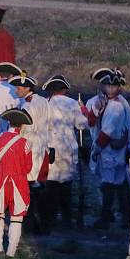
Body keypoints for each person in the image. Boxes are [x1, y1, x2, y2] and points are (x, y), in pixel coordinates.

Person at [86, 71, 130, 229]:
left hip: (111, 150)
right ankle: (124, 216)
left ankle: (107, 217)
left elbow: (107, 131)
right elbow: (91, 122)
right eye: (108, 85)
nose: (111, 89)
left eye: (114, 86)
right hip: (115, 149)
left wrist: (97, 149)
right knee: (118, 182)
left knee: (109, 182)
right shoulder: (106, 103)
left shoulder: (117, 106)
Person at [42, 75, 88, 229]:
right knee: (66, 184)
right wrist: (83, 109)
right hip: (68, 148)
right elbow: (82, 125)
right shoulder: (72, 103)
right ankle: (67, 220)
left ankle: (50, 219)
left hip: (50, 148)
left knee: (51, 183)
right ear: (64, 89)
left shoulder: (45, 104)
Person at [9, 74, 52, 235]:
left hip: (30, 148)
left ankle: (30, 224)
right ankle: (44, 224)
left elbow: (24, 128)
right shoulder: (43, 101)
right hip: (42, 147)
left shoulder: (27, 106)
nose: (16, 90)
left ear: (28, 88)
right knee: (39, 188)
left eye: (19, 88)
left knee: (28, 189)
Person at [0, 108, 34, 257]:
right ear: (21, 126)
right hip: (19, 184)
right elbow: (28, 168)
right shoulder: (25, 143)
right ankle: (11, 252)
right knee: (16, 218)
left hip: (0, 181)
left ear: (9, 123)